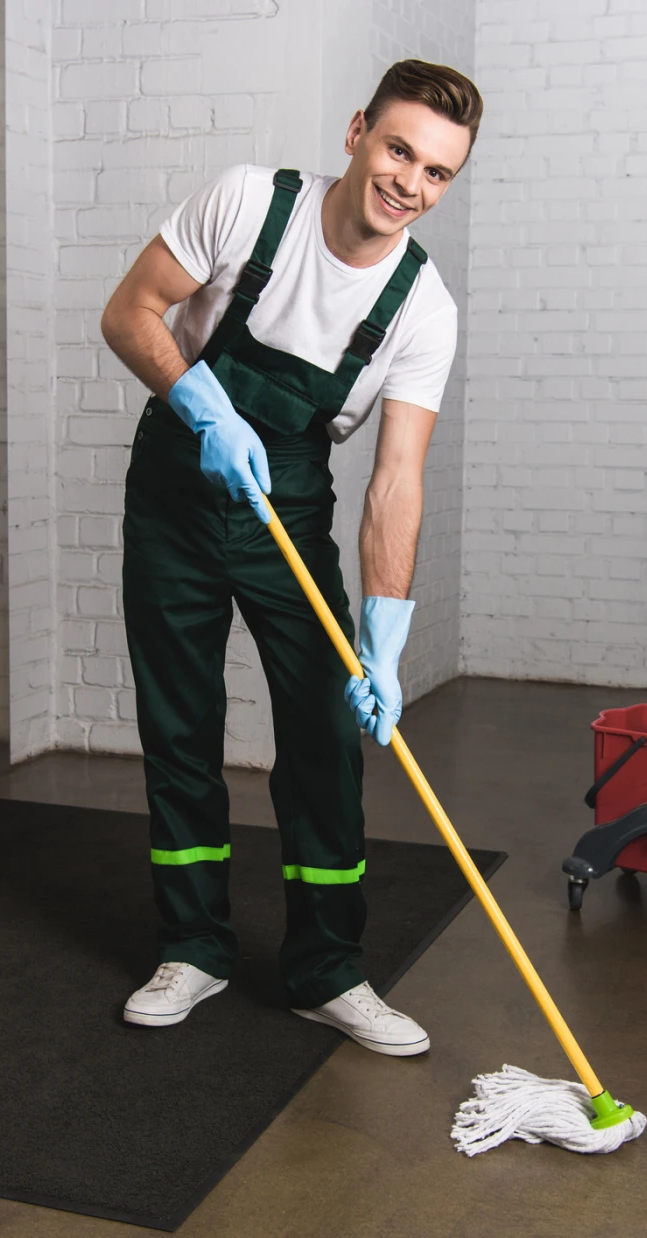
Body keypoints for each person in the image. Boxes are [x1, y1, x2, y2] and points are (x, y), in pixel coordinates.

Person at [100, 59, 483, 1056]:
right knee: (180, 725)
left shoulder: (421, 307)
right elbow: (130, 312)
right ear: (358, 132)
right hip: (178, 491)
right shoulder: (246, 203)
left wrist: (384, 641)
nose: (409, 182)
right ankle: (194, 947)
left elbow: (397, 478)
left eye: (437, 172)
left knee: (322, 740)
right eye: (399, 149)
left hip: (292, 507)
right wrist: (201, 401)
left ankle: (328, 970)